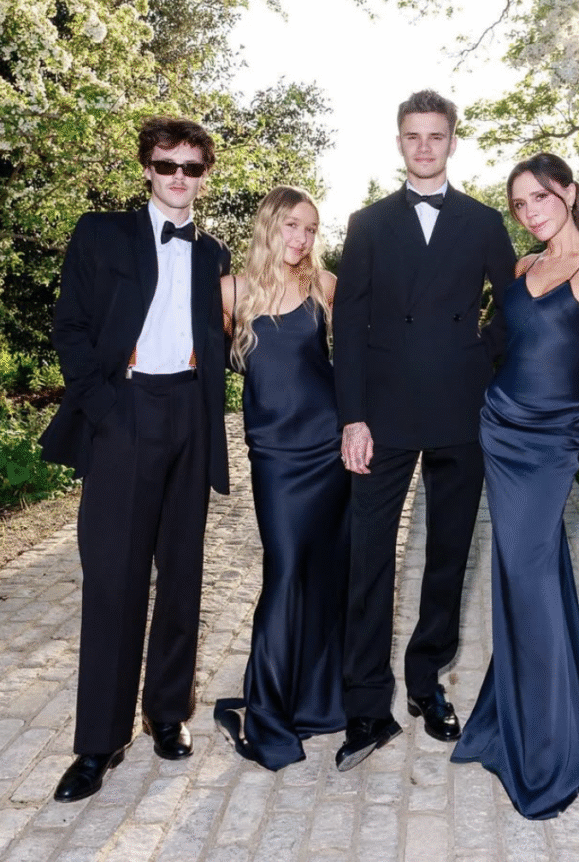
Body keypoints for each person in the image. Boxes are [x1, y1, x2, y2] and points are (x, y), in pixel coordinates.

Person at [41, 117, 231, 802]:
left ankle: (167, 714)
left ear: (205, 175)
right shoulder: (102, 234)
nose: (179, 177)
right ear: (147, 168)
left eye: (192, 167)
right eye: (167, 164)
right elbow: (70, 326)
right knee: (114, 581)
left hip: (190, 413)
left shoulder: (214, 253)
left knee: (181, 576)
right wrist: (104, 411)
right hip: (124, 412)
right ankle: (98, 743)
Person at [450, 152, 579, 818]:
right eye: (519, 204)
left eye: (539, 197)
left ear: (569, 191)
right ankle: (519, 715)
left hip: (552, 439)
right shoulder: (520, 268)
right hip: (499, 426)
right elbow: (506, 345)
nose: (530, 212)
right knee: (525, 572)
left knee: (527, 575)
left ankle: (547, 748)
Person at [332, 90, 517, 770]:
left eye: (436, 135)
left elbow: (514, 307)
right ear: (399, 142)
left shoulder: (483, 221)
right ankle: (364, 703)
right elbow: (348, 323)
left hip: (458, 410)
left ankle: (425, 680)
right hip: (381, 414)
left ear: (452, 142)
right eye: (413, 136)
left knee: (447, 554)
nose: (424, 146)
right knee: (368, 556)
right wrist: (351, 416)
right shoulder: (369, 223)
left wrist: (477, 356)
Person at [214, 186, 350, 770]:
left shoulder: (324, 286)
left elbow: (354, 361)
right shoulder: (231, 291)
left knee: (325, 573)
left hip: (330, 448)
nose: (302, 238)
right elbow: (206, 365)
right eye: (292, 225)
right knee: (286, 571)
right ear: (269, 224)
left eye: (311, 229)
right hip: (274, 453)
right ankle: (268, 713)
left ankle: (317, 702)